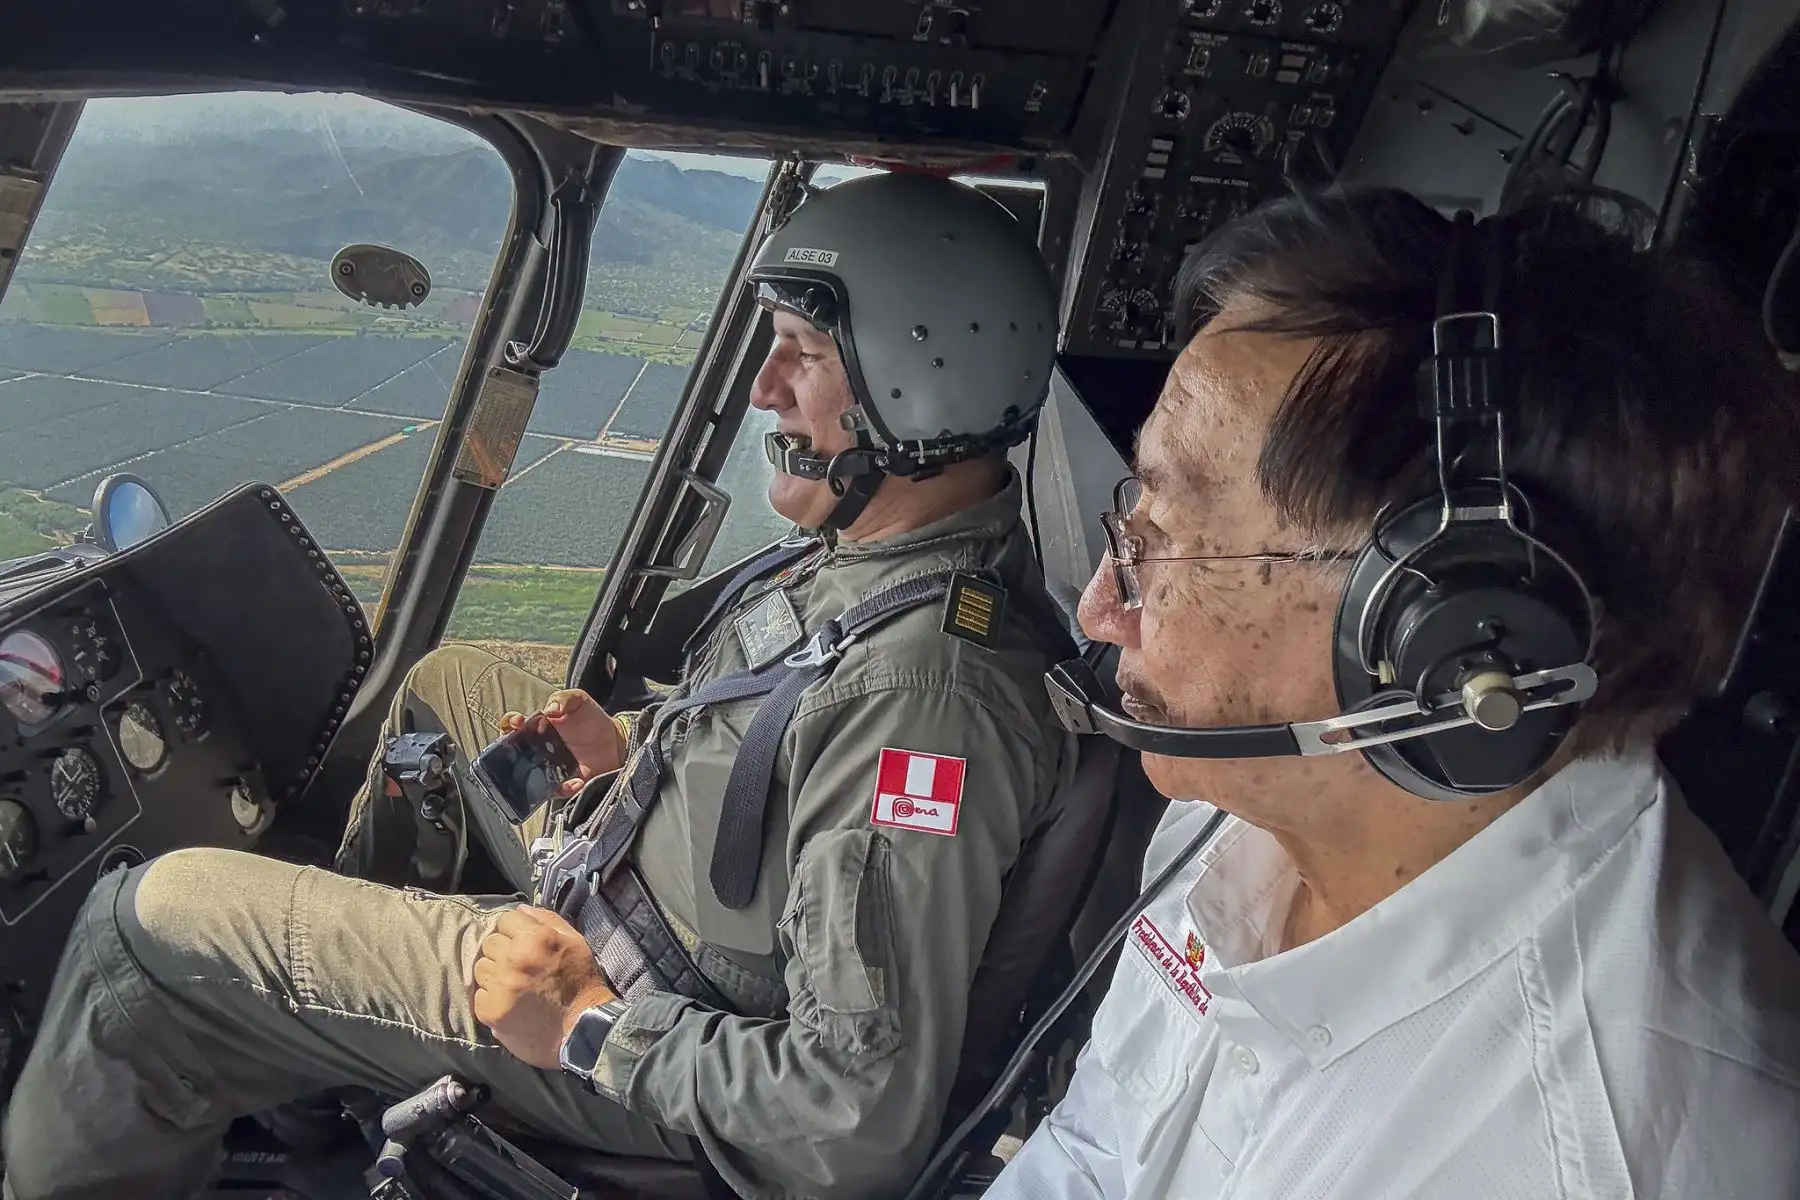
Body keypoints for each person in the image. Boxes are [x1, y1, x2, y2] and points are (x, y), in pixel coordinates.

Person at [1, 172, 1081, 1200]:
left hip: (639, 1011)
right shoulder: (891, 557)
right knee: (443, 679)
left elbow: (852, 1119)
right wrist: (642, 745)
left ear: (922, 377)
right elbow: (795, 728)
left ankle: (255, 1021)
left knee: (140, 932)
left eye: (801, 351)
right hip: (644, 890)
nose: (763, 387)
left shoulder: (925, 705)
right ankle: (328, 1063)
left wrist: (584, 1025)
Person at [992, 188, 1800, 1199]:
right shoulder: (1245, 811)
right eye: (1131, 519)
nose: (1103, 612)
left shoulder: (1608, 1155)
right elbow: (1092, 1157)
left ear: (1441, 629)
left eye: (1160, 545)